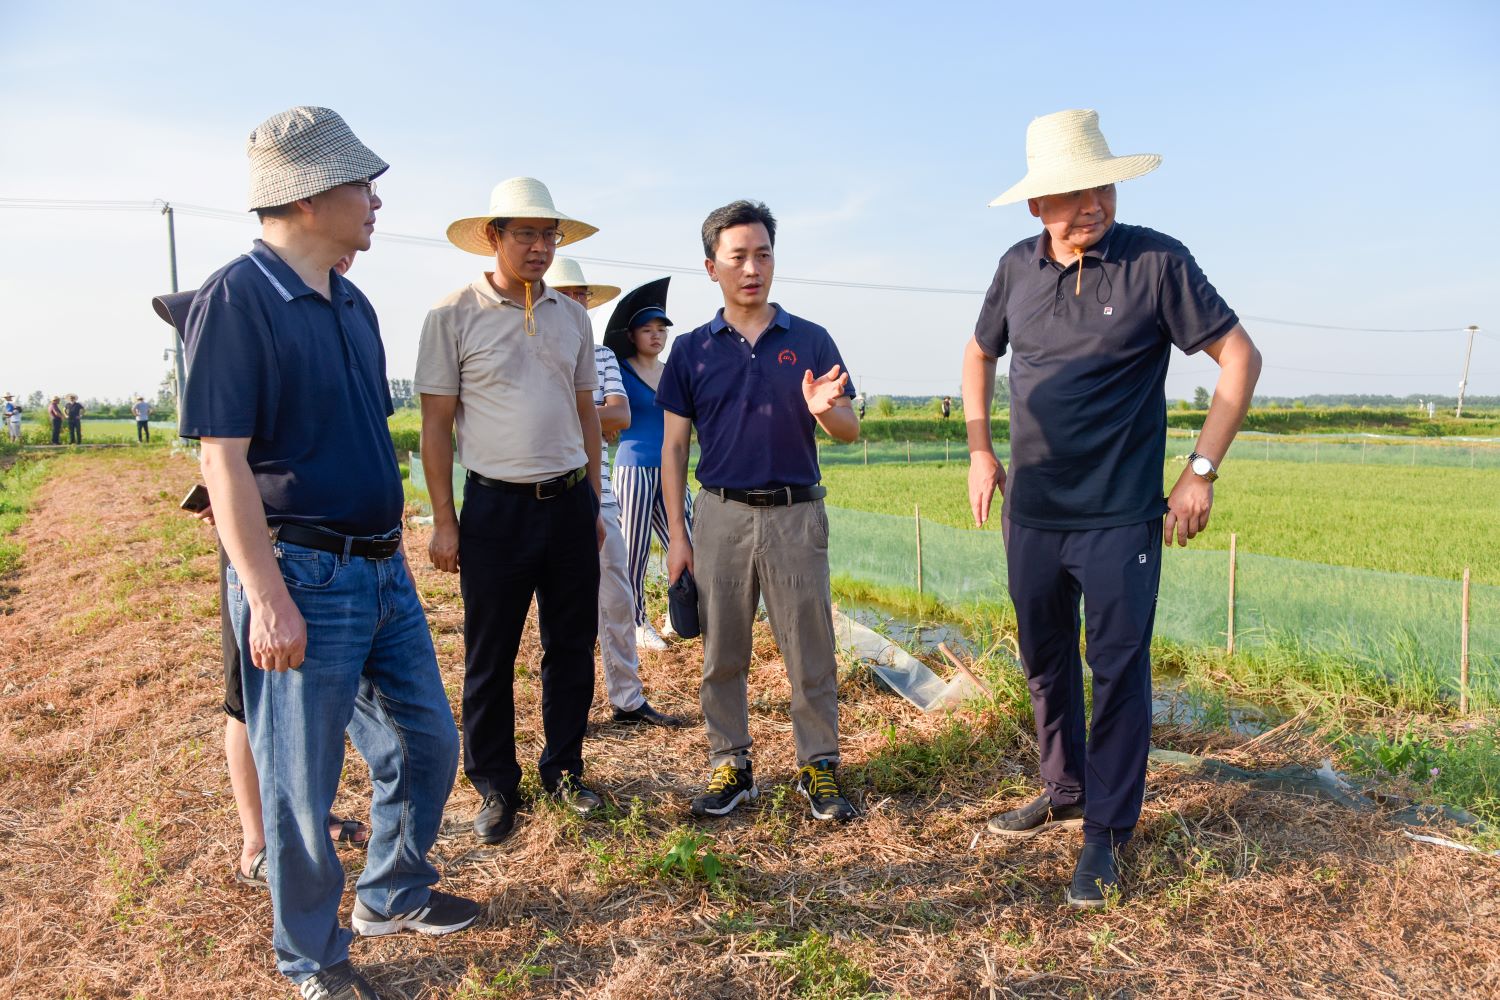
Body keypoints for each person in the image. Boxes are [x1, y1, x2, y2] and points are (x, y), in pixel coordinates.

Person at [179, 106, 476, 999]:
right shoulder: (239, 299)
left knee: (428, 744)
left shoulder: (352, 303)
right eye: (363, 183)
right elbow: (221, 461)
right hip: (303, 573)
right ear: (307, 196)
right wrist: (266, 598)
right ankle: (311, 959)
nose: (377, 200)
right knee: (302, 789)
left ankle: (389, 891)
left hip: (380, 569)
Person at [961, 109, 1262, 909]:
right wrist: (979, 448)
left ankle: (1107, 832)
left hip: (1121, 516)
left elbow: (1240, 354)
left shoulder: (1157, 263)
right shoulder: (1015, 269)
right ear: (1037, 207)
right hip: (1032, 512)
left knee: (1118, 670)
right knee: (1044, 659)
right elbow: (978, 350)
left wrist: (1201, 470)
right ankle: (1062, 790)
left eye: (1099, 185)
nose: (1089, 202)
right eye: (1068, 192)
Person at [154, 252, 372, 899]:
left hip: (303, 545)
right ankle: (256, 840)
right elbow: (222, 459)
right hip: (259, 555)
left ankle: (311, 814)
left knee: (307, 698)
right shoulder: (229, 347)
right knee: (248, 700)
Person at [416, 177, 607, 847]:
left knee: (570, 647)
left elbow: (586, 409)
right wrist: (445, 519)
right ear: (493, 237)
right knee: (489, 653)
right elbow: (435, 425)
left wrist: (593, 499)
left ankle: (563, 770)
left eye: (548, 234)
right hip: (494, 508)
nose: (539, 246)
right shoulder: (452, 314)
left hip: (568, 503)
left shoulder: (572, 315)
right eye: (524, 233)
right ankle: (496, 783)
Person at [659, 199, 860, 823]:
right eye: (738, 256)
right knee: (722, 648)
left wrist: (826, 409)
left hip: (796, 513)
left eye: (763, 254)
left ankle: (817, 764)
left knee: (809, 646)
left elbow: (849, 430)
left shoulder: (811, 339)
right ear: (711, 267)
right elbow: (672, 448)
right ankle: (731, 763)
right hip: (719, 513)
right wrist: (678, 537)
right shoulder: (692, 350)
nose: (753, 268)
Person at [545, 257, 685, 728]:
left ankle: (626, 699)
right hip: (537, 492)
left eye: (583, 296)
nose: (577, 302)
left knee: (619, 597)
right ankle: (566, 711)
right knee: (562, 610)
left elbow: (620, 416)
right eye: (568, 294)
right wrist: (589, 414)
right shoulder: (531, 348)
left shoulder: (602, 357)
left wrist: (552, 415)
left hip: (597, 492)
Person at [602, 278, 695, 652]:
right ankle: (638, 621)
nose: (656, 336)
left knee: (688, 537)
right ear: (632, 335)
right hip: (634, 467)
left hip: (671, 470)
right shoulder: (619, 369)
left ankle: (678, 613)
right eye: (648, 330)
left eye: (662, 330)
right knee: (634, 550)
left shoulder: (674, 370)